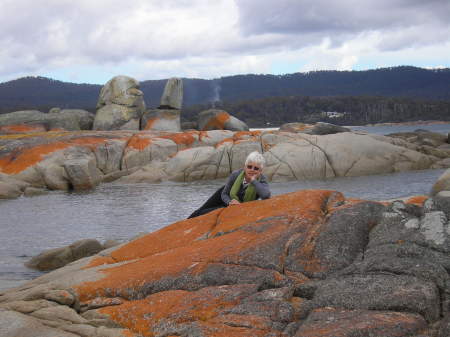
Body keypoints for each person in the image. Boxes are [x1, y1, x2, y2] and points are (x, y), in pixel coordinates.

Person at [188, 151, 271, 218]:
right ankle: (186, 222)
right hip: (224, 196)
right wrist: (230, 202)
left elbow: (266, 195)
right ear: (245, 167)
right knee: (201, 211)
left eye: (256, 168)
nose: (252, 170)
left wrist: (253, 180)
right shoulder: (236, 174)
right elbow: (224, 194)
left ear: (260, 171)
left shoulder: (261, 180)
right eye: (249, 167)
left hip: (234, 206)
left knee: (210, 212)